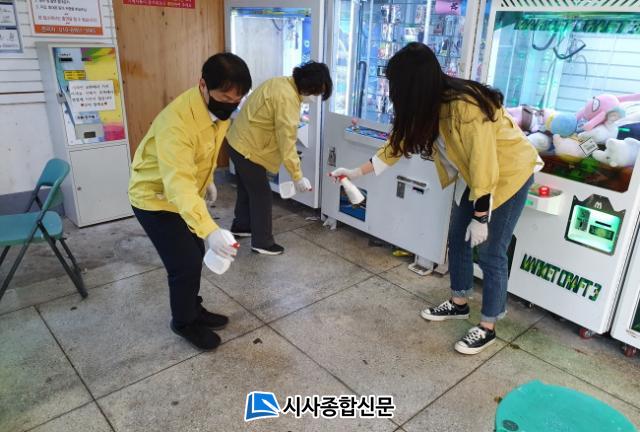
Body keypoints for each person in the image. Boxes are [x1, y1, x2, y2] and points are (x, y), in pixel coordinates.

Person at [331, 43, 541, 355]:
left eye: (396, 84)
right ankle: (459, 302)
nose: (393, 92)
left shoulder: (466, 107)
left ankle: (488, 326)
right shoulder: (427, 105)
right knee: (457, 238)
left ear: (413, 84)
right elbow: (396, 145)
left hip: (509, 174)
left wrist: (481, 217)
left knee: (491, 251)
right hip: (476, 177)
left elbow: (485, 163)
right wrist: (356, 172)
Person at [128, 53, 252, 351]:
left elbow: (203, 152)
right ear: (203, 85)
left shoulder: (216, 111)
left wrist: (207, 181)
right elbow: (178, 185)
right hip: (154, 198)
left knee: (195, 253)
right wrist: (210, 229)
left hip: (184, 195)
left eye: (237, 99)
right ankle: (183, 322)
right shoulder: (177, 123)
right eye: (224, 97)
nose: (230, 104)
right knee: (184, 264)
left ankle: (193, 309)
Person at [225, 61, 333, 255]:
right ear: (308, 86)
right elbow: (287, 141)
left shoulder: (280, 82)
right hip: (249, 150)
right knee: (261, 195)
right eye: (316, 93)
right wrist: (297, 176)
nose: (315, 98)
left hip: (236, 142)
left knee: (247, 189)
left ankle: (242, 225)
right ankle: (262, 242)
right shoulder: (287, 99)